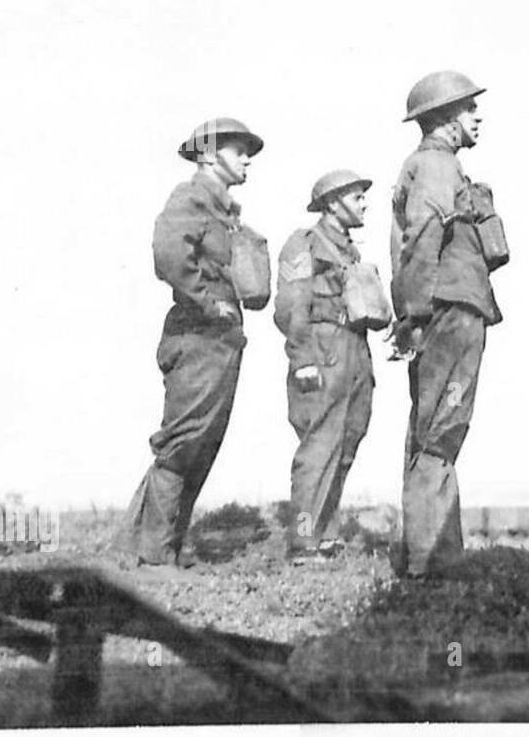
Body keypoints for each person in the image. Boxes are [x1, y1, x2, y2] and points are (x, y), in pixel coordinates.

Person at [126, 118, 265, 570]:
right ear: (208, 154)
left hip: (221, 338)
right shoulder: (190, 198)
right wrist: (207, 302)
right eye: (238, 150)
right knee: (183, 443)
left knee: (203, 443)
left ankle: (162, 546)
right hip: (198, 334)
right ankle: (153, 556)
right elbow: (169, 255)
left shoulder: (224, 211)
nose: (247, 160)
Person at [391, 70, 507, 578]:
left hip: (445, 307)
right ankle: (432, 564)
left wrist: (413, 314)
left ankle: (426, 556)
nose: (477, 117)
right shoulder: (437, 166)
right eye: (467, 109)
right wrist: (416, 314)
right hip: (451, 311)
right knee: (441, 431)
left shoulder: (436, 166)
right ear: (443, 118)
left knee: (431, 430)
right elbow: (422, 234)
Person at [274, 170, 378, 559]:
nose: (364, 204)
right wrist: (301, 358)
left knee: (348, 440)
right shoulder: (305, 243)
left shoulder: (349, 251)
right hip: (322, 348)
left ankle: (325, 533)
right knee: (319, 446)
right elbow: (291, 304)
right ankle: (303, 541)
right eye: (356, 197)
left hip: (354, 348)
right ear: (332, 204)